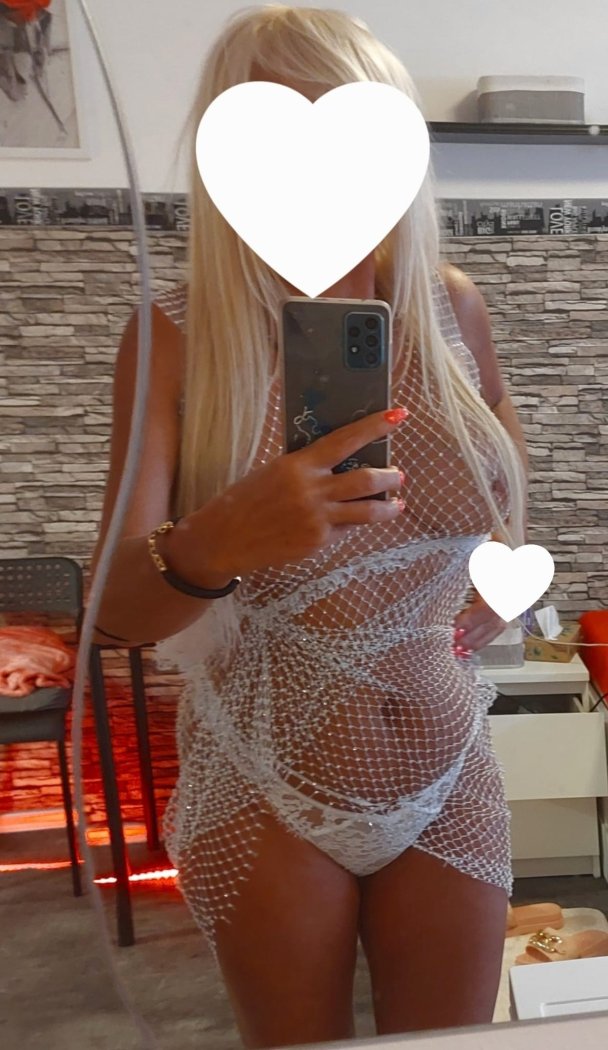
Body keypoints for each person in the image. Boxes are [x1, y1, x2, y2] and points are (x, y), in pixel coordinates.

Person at [91, 6, 528, 1048]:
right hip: (262, 775)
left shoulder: (453, 312)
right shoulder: (175, 337)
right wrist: (217, 542)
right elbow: (116, 615)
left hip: (450, 764)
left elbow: (502, 499)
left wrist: (489, 591)